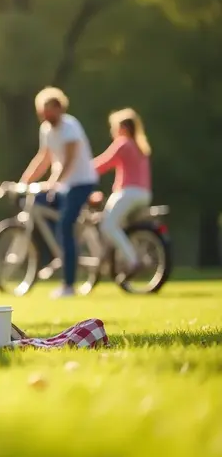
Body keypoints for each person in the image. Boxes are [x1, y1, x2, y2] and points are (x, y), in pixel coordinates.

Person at [18, 86, 99, 298]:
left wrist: (54, 181)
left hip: (81, 182)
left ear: (59, 108)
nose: (45, 114)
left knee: (65, 224)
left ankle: (69, 285)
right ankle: (60, 252)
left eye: (49, 110)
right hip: (63, 184)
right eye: (42, 110)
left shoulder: (70, 126)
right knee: (38, 204)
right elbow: (44, 158)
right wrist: (24, 180)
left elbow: (70, 160)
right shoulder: (46, 129)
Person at [92, 108, 153, 277]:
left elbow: (104, 163)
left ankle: (132, 260)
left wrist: (82, 171)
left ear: (123, 129)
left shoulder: (123, 143)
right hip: (144, 194)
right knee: (119, 226)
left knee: (108, 225)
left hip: (128, 192)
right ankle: (125, 255)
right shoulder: (141, 146)